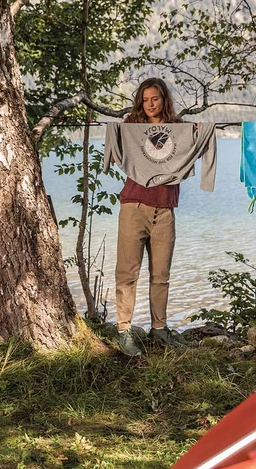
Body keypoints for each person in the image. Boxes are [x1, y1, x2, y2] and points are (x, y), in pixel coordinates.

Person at [113, 77, 189, 356]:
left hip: (165, 209)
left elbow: (193, 152)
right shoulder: (132, 126)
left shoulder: (178, 129)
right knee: (127, 272)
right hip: (134, 207)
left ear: (164, 99)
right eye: (145, 100)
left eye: (154, 98)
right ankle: (124, 329)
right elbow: (118, 151)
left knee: (161, 275)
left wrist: (197, 133)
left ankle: (159, 328)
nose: (150, 104)